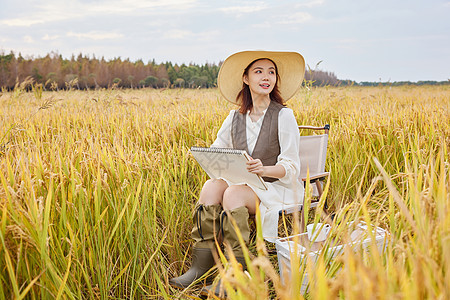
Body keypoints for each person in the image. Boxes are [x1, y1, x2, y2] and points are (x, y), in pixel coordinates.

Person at [169, 50, 305, 297]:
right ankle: (201, 264)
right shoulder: (235, 117)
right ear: (246, 78)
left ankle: (238, 271)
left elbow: (292, 166)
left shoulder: (284, 115)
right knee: (212, 186)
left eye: (271, 72)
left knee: (232, 193)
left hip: (275, 187)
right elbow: (217, 149)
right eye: (259, 71)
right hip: (244, 185)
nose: (267, 77)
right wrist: (212, 157)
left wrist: (264, 168)